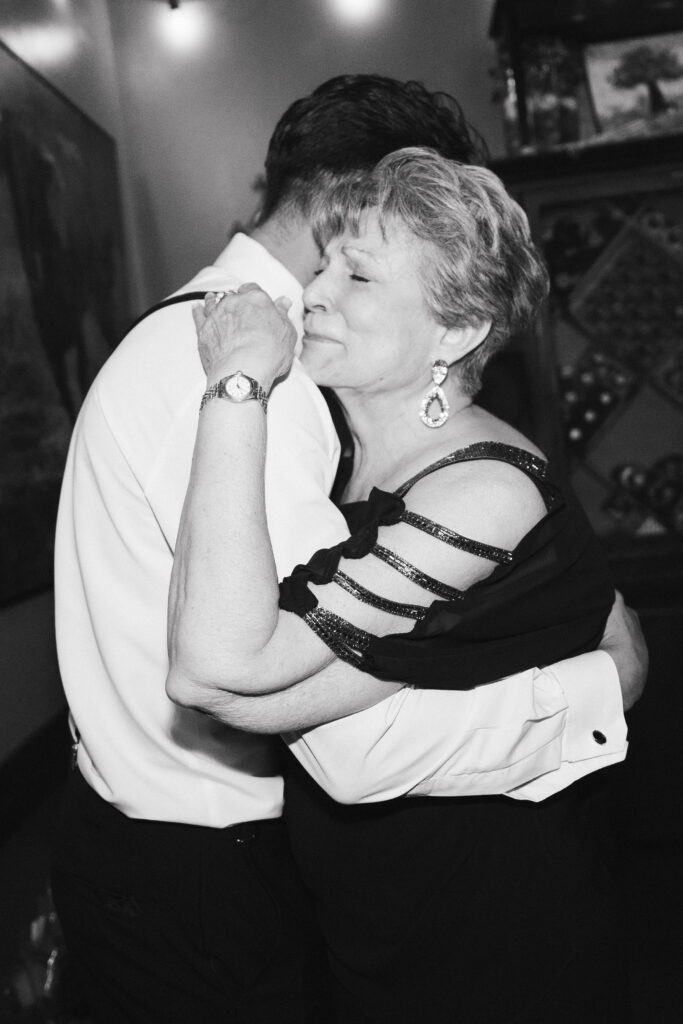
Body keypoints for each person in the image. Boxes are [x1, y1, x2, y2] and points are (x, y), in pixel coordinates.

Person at [52, 77, 645, 1024]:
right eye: (333, 259)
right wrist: (593, 689)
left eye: (358, 271)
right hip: (221, 870)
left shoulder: (276, 380)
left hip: (458, 916)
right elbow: (294, 705)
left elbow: (338, 718)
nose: (318, 294)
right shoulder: (252, 375)